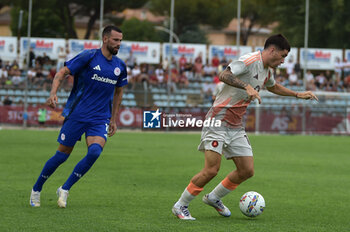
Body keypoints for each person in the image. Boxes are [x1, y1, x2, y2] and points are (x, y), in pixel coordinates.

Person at [172, 34, 318, 220]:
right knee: (211, 170)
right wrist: (246, 87)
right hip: (218, 119)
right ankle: (180, 205)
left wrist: (297, 94)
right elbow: (223, 74)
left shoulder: (267, 71)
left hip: (235, 125)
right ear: (272, 50)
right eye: (282, 56)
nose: (283, 61)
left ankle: (214, 198)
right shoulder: (249, 60)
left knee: (247, 170)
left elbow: (273, 87)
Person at [30, 25, 127, 208]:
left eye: (121, 40)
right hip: (77, 115)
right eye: (115, 40)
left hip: (100, 119)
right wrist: (53, 93)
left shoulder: (120, 66)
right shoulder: (88, 56)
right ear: (105, 39)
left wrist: (113, 119)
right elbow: (61, 73)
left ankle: (65, 188)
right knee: (61, 156)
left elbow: (118, 92)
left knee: (95, 152)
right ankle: (36, 189)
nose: (118, 44)